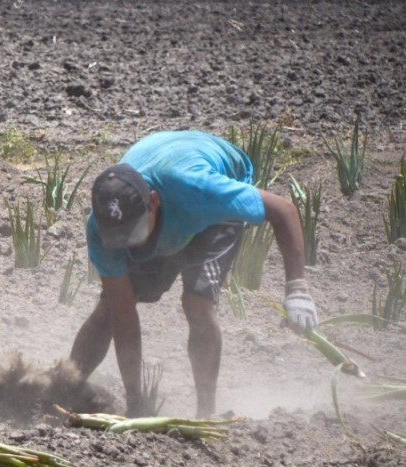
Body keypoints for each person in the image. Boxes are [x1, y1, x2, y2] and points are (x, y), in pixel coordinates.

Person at [68, 130, 318, 418]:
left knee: (197, 301)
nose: (131, 243)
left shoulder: (202, 191)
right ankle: (65, 387)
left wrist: (297, 289)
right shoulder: (101, 228)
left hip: (207, 209)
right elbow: (123, 314)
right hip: (167, 195)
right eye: (120, 238)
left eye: (134, 232)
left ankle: (205, 414)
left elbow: (283, 210)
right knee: (110, 307)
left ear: (153, 202)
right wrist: (135, 399)